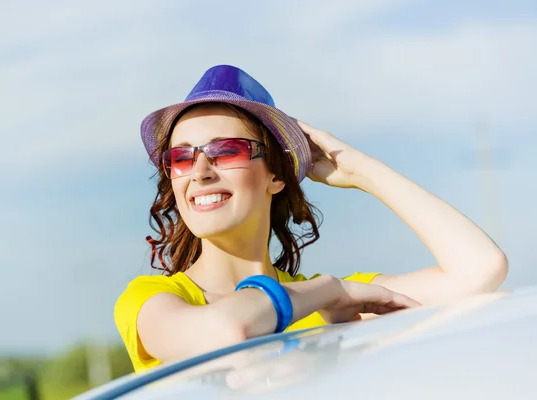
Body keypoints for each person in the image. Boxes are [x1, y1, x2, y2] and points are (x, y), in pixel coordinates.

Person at [115, 65, 508, 373]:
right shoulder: (153, 300)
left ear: (276, 175)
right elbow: (226, 330)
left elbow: (480, 270)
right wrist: (329, 292)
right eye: (181, 157)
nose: (199, 171)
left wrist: (362, 172)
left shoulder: (333, 297)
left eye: (227, 150)